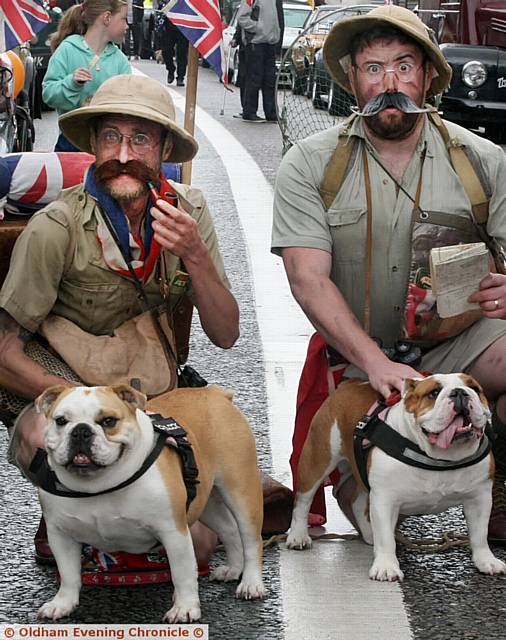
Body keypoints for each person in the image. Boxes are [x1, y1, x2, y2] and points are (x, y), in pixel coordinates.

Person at [271, 5, 506, 542]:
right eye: (373, 68)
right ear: (351, 78)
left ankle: (496, 488)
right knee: (372, 499)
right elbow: (307, 278)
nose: (390, 83)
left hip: (460, 345)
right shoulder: (309, 164)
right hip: (358, 354)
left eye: (404, 66)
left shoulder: (483, 160)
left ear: (427, 76)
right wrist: (374, 363)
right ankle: (358, 483)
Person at [0, 73, 239, 567]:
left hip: (145, 385)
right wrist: (70, 405)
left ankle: (122, 511)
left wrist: (194, 254)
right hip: (61, 381)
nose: (124, 155)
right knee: (37, 434)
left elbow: (226, 333)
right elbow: (3, 354)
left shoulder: (189, 211)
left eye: (140, 139)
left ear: (165, 146)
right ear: (93, 143)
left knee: (198, 547)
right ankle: (64, 512)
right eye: (111, 136)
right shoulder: (56, 227)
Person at [42, 0, 131, 151]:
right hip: (72, 140)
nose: (127, 26)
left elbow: (128, 102)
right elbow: (49, 95)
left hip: (109, 142)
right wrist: (72, 83)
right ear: (107, 17)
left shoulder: (120, 60)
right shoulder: (68, 50)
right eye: (123, 19)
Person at [237, 0, 284, 123]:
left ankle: (271, 113)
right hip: (255, 42)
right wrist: (258, 28)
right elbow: (242, 17)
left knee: (270, 79)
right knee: (254, 77)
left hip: (269, 42)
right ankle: (249, 112)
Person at [155, 0, 188, 87]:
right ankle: (170, 69)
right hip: (168, 23)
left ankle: (180, 77)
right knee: (166, 51)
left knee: (182, 53)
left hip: (183, 24)